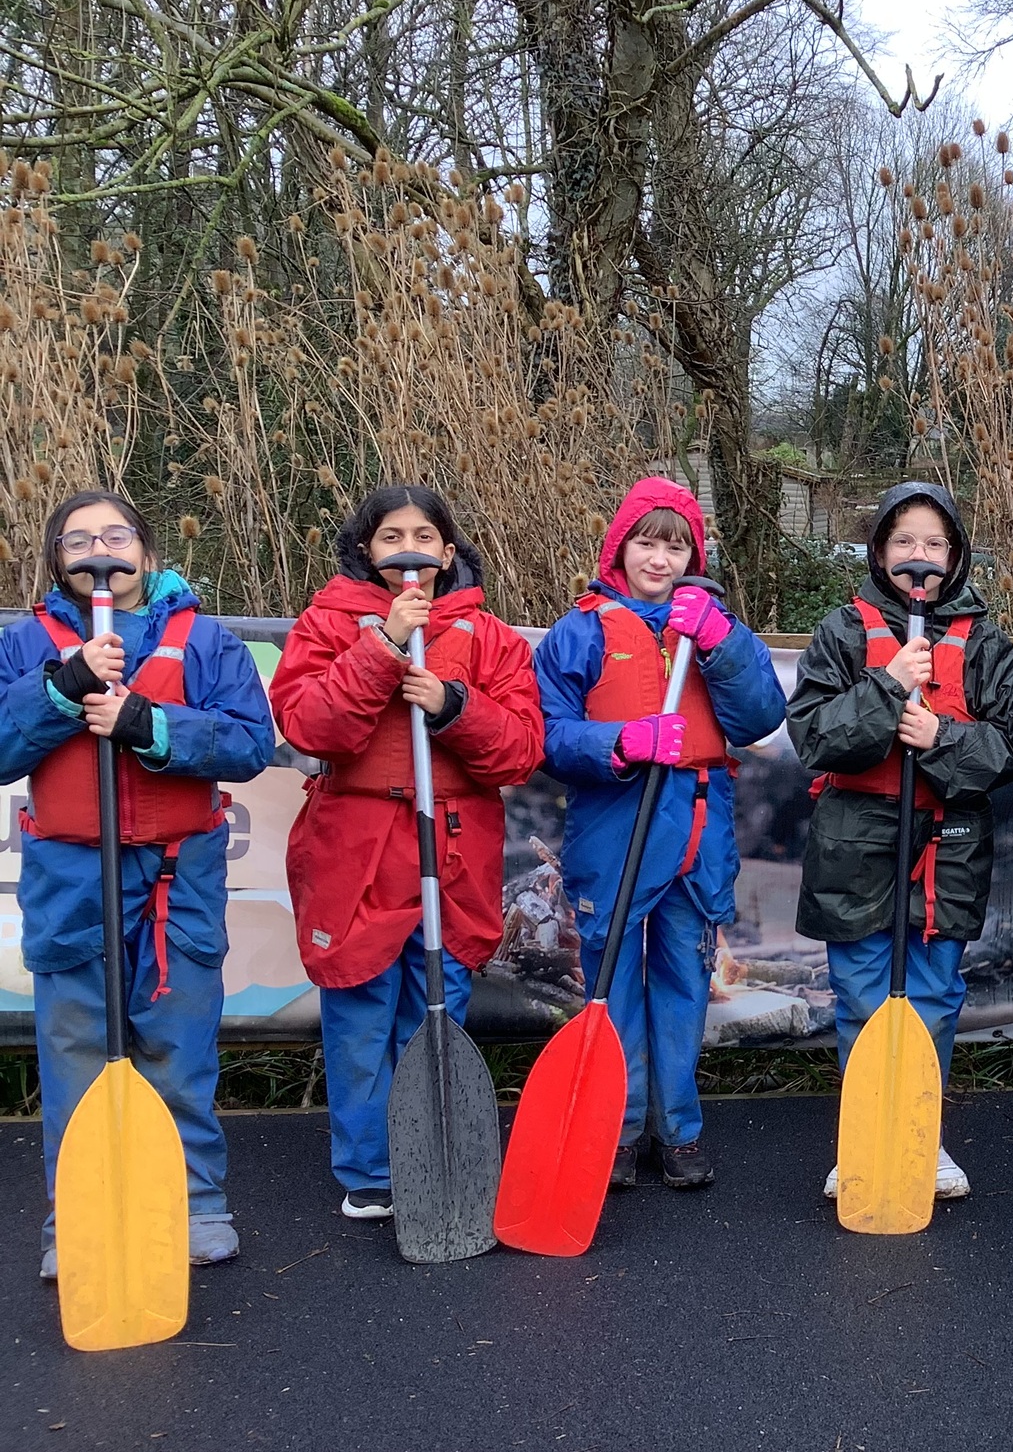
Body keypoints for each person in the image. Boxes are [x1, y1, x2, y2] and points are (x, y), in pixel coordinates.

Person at [3, 490, 273, 1279]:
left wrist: (148, 724)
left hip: (177, 879)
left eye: (116, 535)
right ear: (58, 560)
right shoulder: (26, 644)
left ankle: (192, 1203)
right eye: (78, 539)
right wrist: (63, 687)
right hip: (69, 879)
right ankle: (80, 1217)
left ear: (146, 554)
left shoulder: (207, 642)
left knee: (177, 1046)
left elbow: (250, 744)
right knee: (76, 1050)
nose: (99, 550)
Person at [270, 485, 545, 1219]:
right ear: (367, 550)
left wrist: (454, 706)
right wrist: (383, 648)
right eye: (391, 537)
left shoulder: (491, 638)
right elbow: (310, 727)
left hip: (450, 854)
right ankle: (370, 1170)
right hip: (357, 852)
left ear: (448, 553)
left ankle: (435, 1155)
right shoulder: (327, 625)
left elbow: (521, 751)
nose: (409, 550)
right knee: (361, 1012)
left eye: (424, 536)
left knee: (435, 1005)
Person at [534, 478, 785, 1192]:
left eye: (676, 548)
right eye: (646, 542)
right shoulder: (580, 632)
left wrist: (720, 645)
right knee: (611, 986)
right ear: (620, 547)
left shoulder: (712, 627)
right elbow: (546, 735)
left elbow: (761, 716)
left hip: (696, 832)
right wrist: (621, 741)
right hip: (613, 829)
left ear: (692, 557)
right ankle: (615, 1127)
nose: (659, 559)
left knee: (683, 981)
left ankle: (677, 1127)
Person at [788, 481, 1013, 1200]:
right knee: (863, 996)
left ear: (954, 556)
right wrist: (887, 686)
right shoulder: (843, 631)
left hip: (948, 845)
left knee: (933, 997)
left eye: (933, 543)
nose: (918, 556)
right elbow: (813, 738)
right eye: (903, 542)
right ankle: (864, 1137)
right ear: (879, 551)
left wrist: (941, 736)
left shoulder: (983, 643)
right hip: (855, 842)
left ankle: (923, 1135)